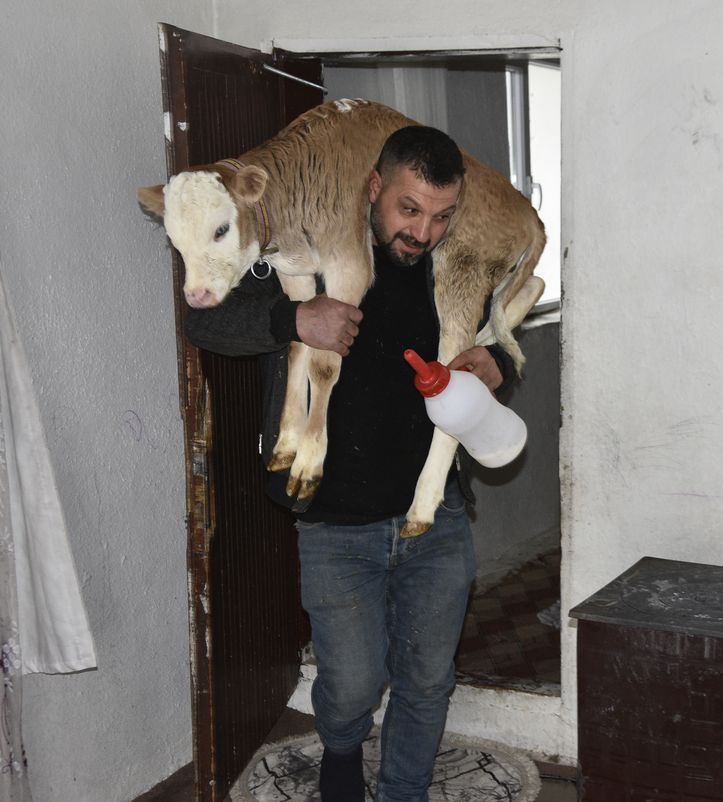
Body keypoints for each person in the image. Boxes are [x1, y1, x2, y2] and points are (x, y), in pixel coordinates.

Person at [185, 125, 516, 802]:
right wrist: (295, 319)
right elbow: (206, 322)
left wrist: (499, 366)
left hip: (437, 518)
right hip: (336, 525)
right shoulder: (301, 249)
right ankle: (340, 757)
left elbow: (497, 342)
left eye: (442, 216)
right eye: (409, 209)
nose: (423, 232)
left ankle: (403, 792)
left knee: (428, 679)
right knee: (352, 682)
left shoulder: (454, 263)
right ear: (374, 188)